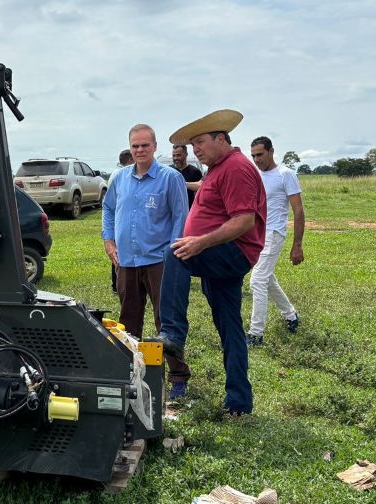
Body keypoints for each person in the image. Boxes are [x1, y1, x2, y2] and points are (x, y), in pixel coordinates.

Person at [158, 109, 266, 416]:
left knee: (176, 253)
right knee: (230, 328)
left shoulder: (235, 168)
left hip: (231, 252)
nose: (196, 150)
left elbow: (245, 221)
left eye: (201, 143)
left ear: (222, 139)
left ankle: (173, 334)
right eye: (192, 146)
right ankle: (239, 403)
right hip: (222, 255)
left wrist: (199, 242)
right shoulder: (217, 169)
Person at [102, 124, 189, 396]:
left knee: (166, 320)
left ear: (154, 146)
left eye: (145, 145)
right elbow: (108, 208)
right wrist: (108, 240)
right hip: (126, 261)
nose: (139, 150)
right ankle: (131, 372)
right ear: (130, 148)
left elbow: (180, 216)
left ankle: (178, 377)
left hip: (159, 261)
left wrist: (172, 251)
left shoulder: (169, 177)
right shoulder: (119, 178)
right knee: (128, 322)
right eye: (135, 146)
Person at [246, 137, 304, 346]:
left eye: (260, 154)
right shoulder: (255, 175)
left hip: (274, 232)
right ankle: (291, 315)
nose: (256, 159)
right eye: (253, 155)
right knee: (267, 278)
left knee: (257, 280)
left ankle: (256, 334)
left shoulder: (285, 174)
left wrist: (297, 245)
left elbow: (298, 210)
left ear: (271, 152)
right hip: (257, 233)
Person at [108, 149, 134, 293]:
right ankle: (118, 285)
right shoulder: (121, 175)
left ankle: (117, 285)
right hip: (121, 220)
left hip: (120, 221)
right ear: (130, 160)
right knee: (118, 255)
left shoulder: (114, 173)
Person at [171, 143, 204, 208]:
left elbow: (200, 194)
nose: (176, 158)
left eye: (178, 155)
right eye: (173, 155)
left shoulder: (195, 172)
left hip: (189, 210)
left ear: (186, 154)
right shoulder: (169, 171)